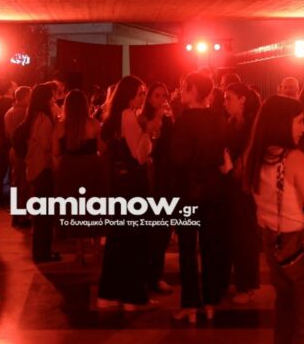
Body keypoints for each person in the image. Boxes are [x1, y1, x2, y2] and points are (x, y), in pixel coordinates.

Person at [244, 95, 304, 344]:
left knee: (286, 312)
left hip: (272, 242)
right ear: (282, 122)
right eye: (299, 121)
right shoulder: (294, 158)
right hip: (300, 246)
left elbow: (284, 182)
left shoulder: (255, 155)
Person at [170, 72, 228, 322]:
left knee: (187, 248)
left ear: (194, 89)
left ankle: (191, 304)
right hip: (213, 188)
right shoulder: (218, 118)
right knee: (210, 246)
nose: (181, 90)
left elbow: (178, 158)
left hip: (188, 189)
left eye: (185, 86)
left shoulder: (184, 121)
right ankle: (211, 301)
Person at [97, 76, 158, 311]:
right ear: (129, 94)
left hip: (121, 186)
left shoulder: (115, 116)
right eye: (140, 93)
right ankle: (132, 296)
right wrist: (148, 131)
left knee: (119, 238)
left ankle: (111, 293)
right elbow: (139, 155)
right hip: (132, 186)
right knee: (133, 239)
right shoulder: (128, 116)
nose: (143, 98)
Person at [52, 89, 105, 263]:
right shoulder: (93, 124)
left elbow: (56, 151)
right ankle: (96, 249)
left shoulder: (61, 126)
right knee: (94, 208)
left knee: (75, 209)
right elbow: (102, 148)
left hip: (69, 169)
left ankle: (79, 250)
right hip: (92, 167)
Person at [223, 82, 262, 305]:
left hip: (245, 185)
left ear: (242, 100)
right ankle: (236, 279)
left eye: (229, 98)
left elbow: (251, 152)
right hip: (230, 184)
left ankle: (247, 285)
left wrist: (239, 163)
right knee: (232, 233)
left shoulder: (252, 125)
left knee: (245, 235)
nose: (225, 102)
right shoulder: (230, 122)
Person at [140, 82, 175, 294]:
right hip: (149, 176)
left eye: (164, 96)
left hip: (165, 176)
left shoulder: (169, 119)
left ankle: (157, 274)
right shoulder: (143, 119)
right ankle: (145, 275)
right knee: (148, 228)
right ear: (149, 98)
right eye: (157, 95)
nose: (161, 100)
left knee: (162, 227)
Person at [24, 83, 60, 262]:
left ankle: (42, 251)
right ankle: (42, 253)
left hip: (35, 167)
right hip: (43, 168)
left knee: (42, 214)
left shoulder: (33, 116)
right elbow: (47, 145)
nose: (53, 100)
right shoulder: (44, 119)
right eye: (51, 96)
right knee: (45, 215)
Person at [5, 86, 31, 227]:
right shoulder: (25, 113)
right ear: (25, 97)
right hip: (24, 151)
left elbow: (7, 134)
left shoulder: (9, 112)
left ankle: (15, 214)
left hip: (13, 150)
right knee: (24, 184)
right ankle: (23, 216)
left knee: (15, 183)